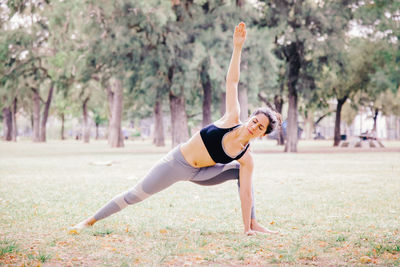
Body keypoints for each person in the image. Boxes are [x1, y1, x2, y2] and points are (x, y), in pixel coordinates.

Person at [70, 22, 281, 236]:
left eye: (260, 127)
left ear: (262, 134)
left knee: (242, 174)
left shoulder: (247, 157)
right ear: (251, 118)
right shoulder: (231, 117)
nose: (254, 126)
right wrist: (237, 48)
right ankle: (89, 221)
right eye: (255, 120)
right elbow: (232, 82)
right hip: (177, 162)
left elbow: (246, 193)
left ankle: (252, 224)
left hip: (201, 174)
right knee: (135, 195)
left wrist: (246, 229)